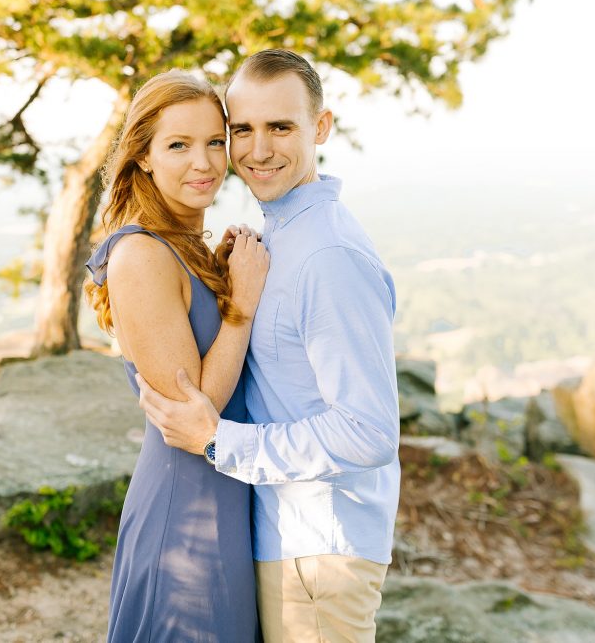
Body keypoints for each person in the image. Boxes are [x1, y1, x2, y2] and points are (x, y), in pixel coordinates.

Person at [136, 50, 400, 642]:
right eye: (242, 130)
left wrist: (219, 441)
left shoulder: (328, 257)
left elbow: (369, 431)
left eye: (280, 127)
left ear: (321, 128)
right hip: (290, 539)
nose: (257, 150)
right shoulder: (283, 237)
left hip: (319, 550)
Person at [83, 70, 269, 642]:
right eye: (179, 145)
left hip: (229, 499)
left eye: (216, 141)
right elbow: (198, 409)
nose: (206, 163)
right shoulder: (140, 254)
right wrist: (240, 304)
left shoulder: (184, 244)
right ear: (142, 156)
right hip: (185, 516)